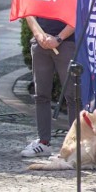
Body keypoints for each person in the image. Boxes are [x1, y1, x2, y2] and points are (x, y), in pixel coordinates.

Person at [21, 16, 77, 157]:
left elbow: (77, 15)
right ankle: (43, 142)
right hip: (40, 44)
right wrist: (38, 35)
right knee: (40, 95)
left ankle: (76, 144)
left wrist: (58, 38)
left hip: (66, 43)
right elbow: (29, 12)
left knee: (73, 96)